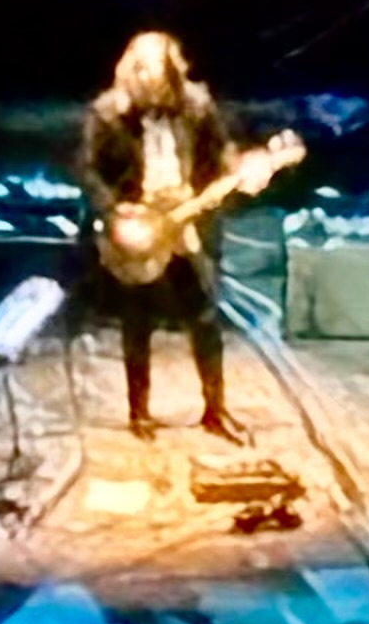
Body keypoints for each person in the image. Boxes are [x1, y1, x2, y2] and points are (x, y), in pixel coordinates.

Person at [77, 31, 245, 443]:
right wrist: (116, 210)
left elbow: (222, 154)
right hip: (138, 226)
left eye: (161, 76)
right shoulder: (108, 114)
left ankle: (215, 409)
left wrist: (239, 172)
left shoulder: (197, 107)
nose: (153, 86)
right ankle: (139, 413)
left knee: (204, 318)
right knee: (138, 320)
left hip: (185, 221)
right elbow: (86, 170)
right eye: (145, 75)